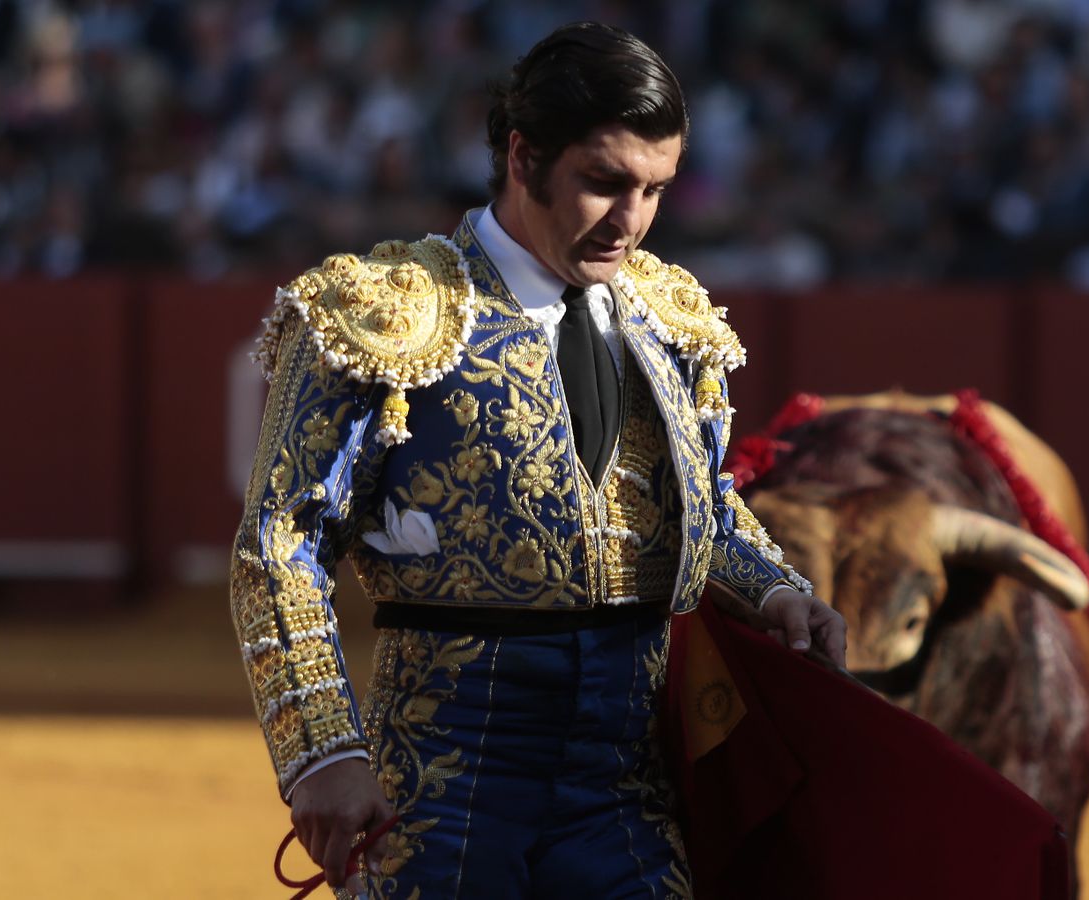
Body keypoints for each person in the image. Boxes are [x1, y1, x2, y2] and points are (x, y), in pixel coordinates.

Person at [230, 22, 846, 899]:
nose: (631, 221)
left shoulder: (665, 318)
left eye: (654, 189)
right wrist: (322, 750)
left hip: (625, 787)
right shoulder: (386, 311)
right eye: (604, 182)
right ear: (523, 158)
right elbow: (282, 544)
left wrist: (776, 590)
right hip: (443, 786)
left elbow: (702, 506)